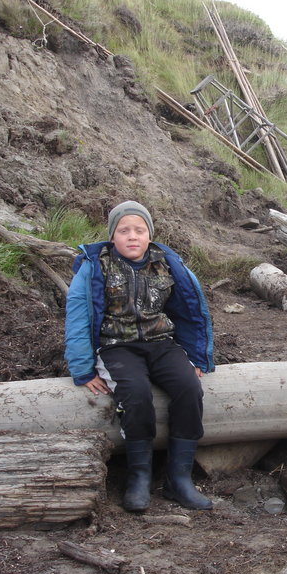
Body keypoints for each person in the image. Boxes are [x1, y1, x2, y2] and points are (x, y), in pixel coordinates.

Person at [64, 201, 215, 511]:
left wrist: (199, 357)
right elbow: (77, 316)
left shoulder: (168, 263)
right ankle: (139, 478)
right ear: (112, 236)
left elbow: (192, 311)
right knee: (135, 393)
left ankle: (179, 479)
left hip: (161, 343)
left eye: (139, 230)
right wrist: (83, 368)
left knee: (189, 388)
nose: (132, 236)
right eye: (123, 230)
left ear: (149, 234)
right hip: (115, 346)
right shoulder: (96, 265)